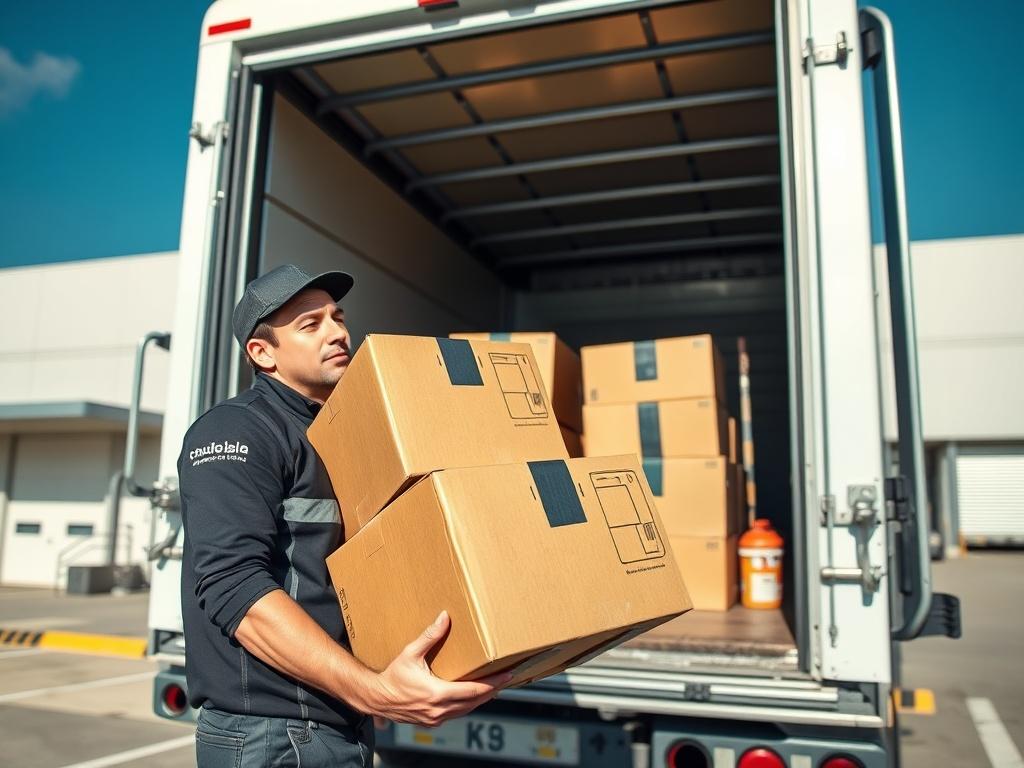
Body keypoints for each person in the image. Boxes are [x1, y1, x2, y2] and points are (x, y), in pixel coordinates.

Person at [178, 264, 510, 767]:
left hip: (337, 725)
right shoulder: (236, 432)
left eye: (337, 316)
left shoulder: (343, 438)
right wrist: (372, 691)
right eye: (309, 325)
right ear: (262, 353)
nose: (337, 331)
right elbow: (234, 588)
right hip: (271, 737)